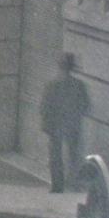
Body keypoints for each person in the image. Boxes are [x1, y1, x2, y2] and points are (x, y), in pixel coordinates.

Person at [41, 52, 91, 193]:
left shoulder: (51, 85)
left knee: (56, 156)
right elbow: (86, 105)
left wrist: (46, 124)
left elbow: (45, 107)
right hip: (72, 125)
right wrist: (75, 117)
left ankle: (58, 186)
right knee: (74, 155)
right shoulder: (79, 85)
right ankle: (74, 183)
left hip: (56, 125)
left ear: (60, 67)